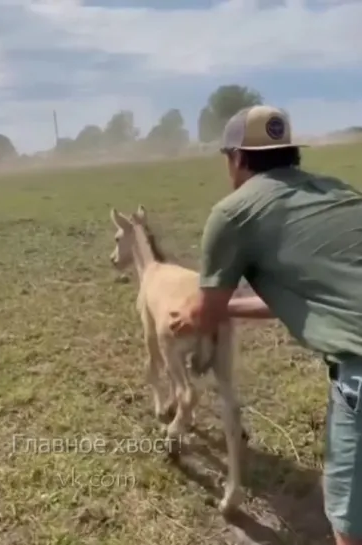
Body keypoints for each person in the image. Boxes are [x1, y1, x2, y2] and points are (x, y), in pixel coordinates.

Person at [170, 104, 362, 545]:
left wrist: (192, 312)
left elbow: (202, 312)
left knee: (351, 528)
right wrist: (231, 309)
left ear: (236, 158)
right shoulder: (337, 190)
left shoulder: (232, 213)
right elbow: (301, 297)